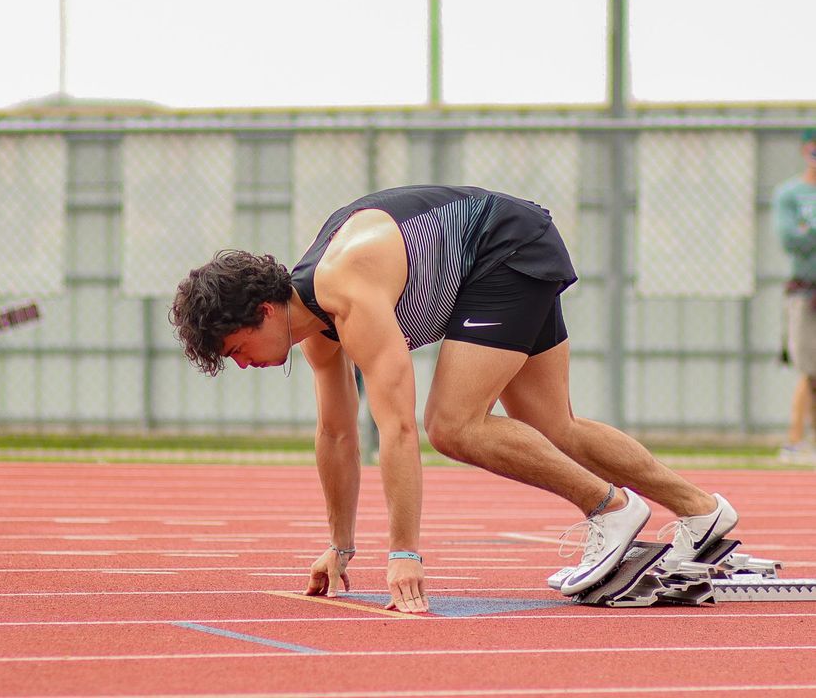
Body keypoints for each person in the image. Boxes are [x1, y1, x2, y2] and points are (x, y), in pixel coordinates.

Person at [170, 185, 739, 613]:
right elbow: (337, 435)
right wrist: (340, 547)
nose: (241, 364)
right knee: (552, 426)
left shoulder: (346, 291)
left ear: (264, 311)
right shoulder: (317, 329)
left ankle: (611, 510)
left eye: (236, 348)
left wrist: (404, 554)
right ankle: (702, 511)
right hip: (510, 245)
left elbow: (397, 430)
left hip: (504, 249)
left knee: (452, 425)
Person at [774, 128, 816, 460]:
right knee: (809, 366)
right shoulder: (790, 193)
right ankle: (796, 439)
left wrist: (809, 230)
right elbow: (791, 239)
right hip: (806, 290)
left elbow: (805, 234)